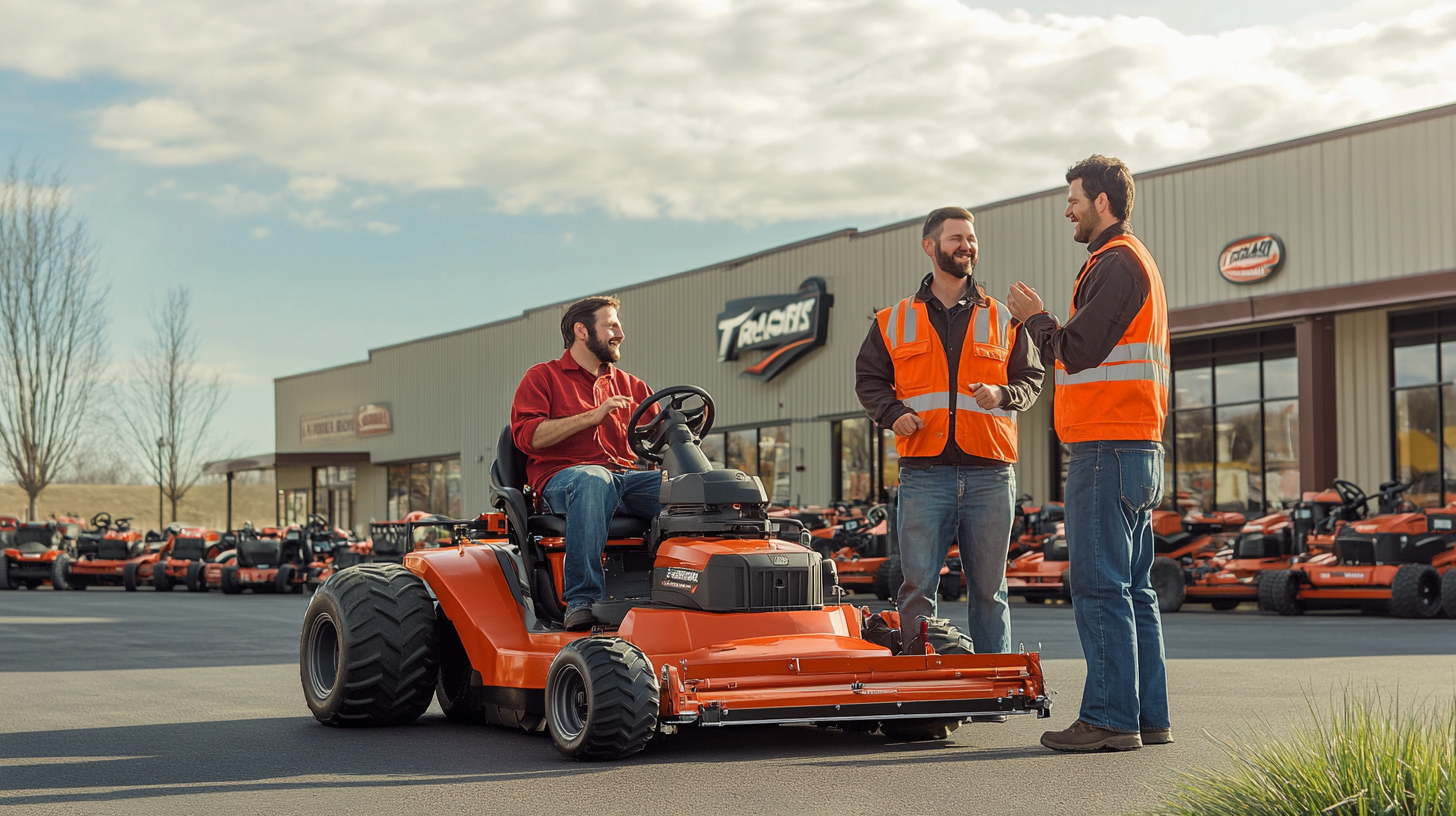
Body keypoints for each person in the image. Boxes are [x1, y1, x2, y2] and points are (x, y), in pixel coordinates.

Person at [1007, 155, 1172, 752]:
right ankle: (1147, 718)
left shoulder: (1116, 263)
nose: (1068, 208)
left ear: (1102, 201)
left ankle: (1108, 719)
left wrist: (1034, 320)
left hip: (1107, 446)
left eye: (1074, 197)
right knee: (1135, 589)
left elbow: (1076, 350)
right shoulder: (1134, 262)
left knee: (1102, 588)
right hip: (1134, 446)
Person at [855, 206, 1044, 656]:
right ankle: (922, 687)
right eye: (957, 238)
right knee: (917, 588)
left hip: (991, 473)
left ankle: (993, 685)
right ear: (930, 246)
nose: (967, 246)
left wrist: (1002, 395)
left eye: (971, 239)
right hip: (924, 473)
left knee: (989, 591)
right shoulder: (893, 320)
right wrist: (892, 412)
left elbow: (1031, 379)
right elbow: (869, 381)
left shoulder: (1004, 318)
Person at [510, 295, 661, 631]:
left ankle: (685, 594)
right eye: (611, 325)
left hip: (625, 482)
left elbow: (660, 436)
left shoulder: (633, 386)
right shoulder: (543, 377)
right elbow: (528, 437)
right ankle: (583, 601)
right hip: (563, 482)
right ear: (582, 330)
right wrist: (593, 416)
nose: (620, 332)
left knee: (689, 492)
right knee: (594, 479)